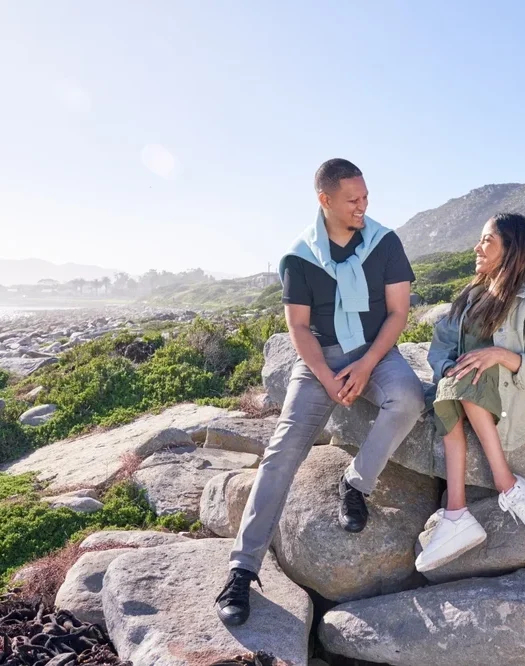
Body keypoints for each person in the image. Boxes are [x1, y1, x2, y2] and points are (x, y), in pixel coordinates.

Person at [216, 158, 425, 626]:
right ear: (324, 200)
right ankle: (241, 569)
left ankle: (355, 483)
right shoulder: (300, 257)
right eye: (353, 200)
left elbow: (397, 313)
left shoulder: (385, 243)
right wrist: (329, 379)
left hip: (376, 353)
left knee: (409, 398)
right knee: (283, 449)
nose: (363, 206)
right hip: (319, 364)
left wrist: (367, 365)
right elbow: (299, 328)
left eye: (366, 197)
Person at [416, 213, 525, 572]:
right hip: (468, 393)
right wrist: (445, 368)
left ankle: (506, 485)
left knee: (470, 374)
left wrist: (502, 355)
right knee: (455, 381)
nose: (477, 246)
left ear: (511, 249)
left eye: (487, 240)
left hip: (519, 397)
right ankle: (457, 513)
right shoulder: (469, 297)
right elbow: (440, 345)